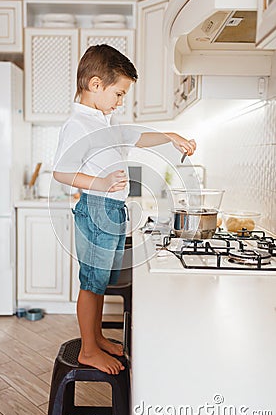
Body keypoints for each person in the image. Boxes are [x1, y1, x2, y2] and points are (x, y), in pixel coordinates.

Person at [53, 44, 196, 375]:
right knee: (91, 283)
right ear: (95, 84)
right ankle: (89, 349)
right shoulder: (78, 123)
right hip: (97, 207)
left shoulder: (103, 119)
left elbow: (135, 137)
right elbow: (62, 171)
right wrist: (100, 184)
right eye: (118, 93)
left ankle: (97, 337)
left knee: (100, 281)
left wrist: (169, 135)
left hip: (112, 210)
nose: (120, 101)